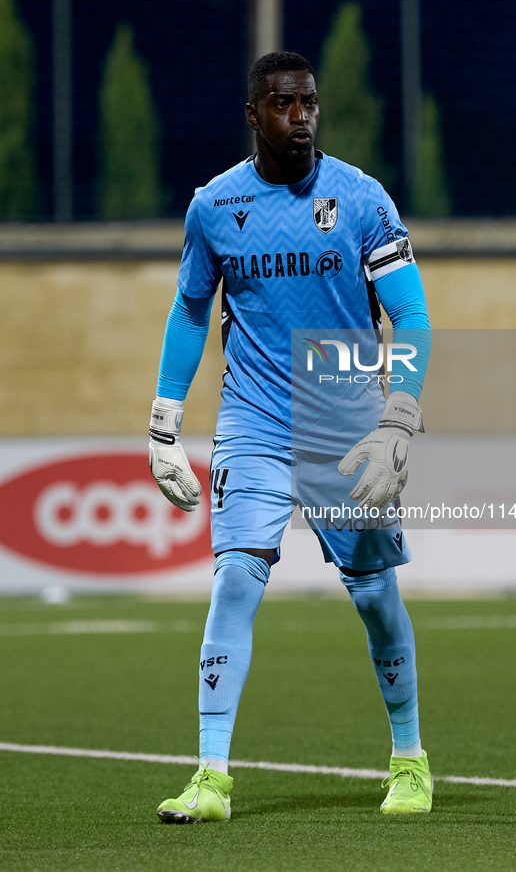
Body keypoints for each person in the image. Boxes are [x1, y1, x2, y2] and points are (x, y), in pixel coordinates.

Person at [149, 51, 432, 823]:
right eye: (283, 104)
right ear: (254, 115)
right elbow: (189, 309)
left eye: (308, 102)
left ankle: (409, 760)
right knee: (236, 575)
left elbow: (409, 316)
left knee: (373, 594)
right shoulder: (214, 207)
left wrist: (397, 417)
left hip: (343, 423)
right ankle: (211, 774)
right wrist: (164, 421)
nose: (300, 116)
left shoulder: (362, 199)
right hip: (254, 422)